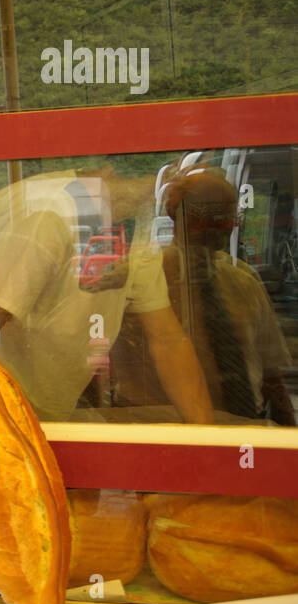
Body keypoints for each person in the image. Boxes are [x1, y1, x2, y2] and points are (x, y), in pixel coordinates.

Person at [0, 166, 213, 423]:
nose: (166, 192)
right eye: (164, 177)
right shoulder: (46, 216)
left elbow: (169, 340)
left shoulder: (132, 222)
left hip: (39, 412)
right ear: (109, 170)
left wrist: (209, 443)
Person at [111, 167, 294, 425]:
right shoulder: (136, 279)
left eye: (225, 214)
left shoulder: (244, 281)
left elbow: (272, 376)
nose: (220, 224)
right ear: (176, 214)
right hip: (160, 431)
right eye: (204, 214)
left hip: (243, 428)